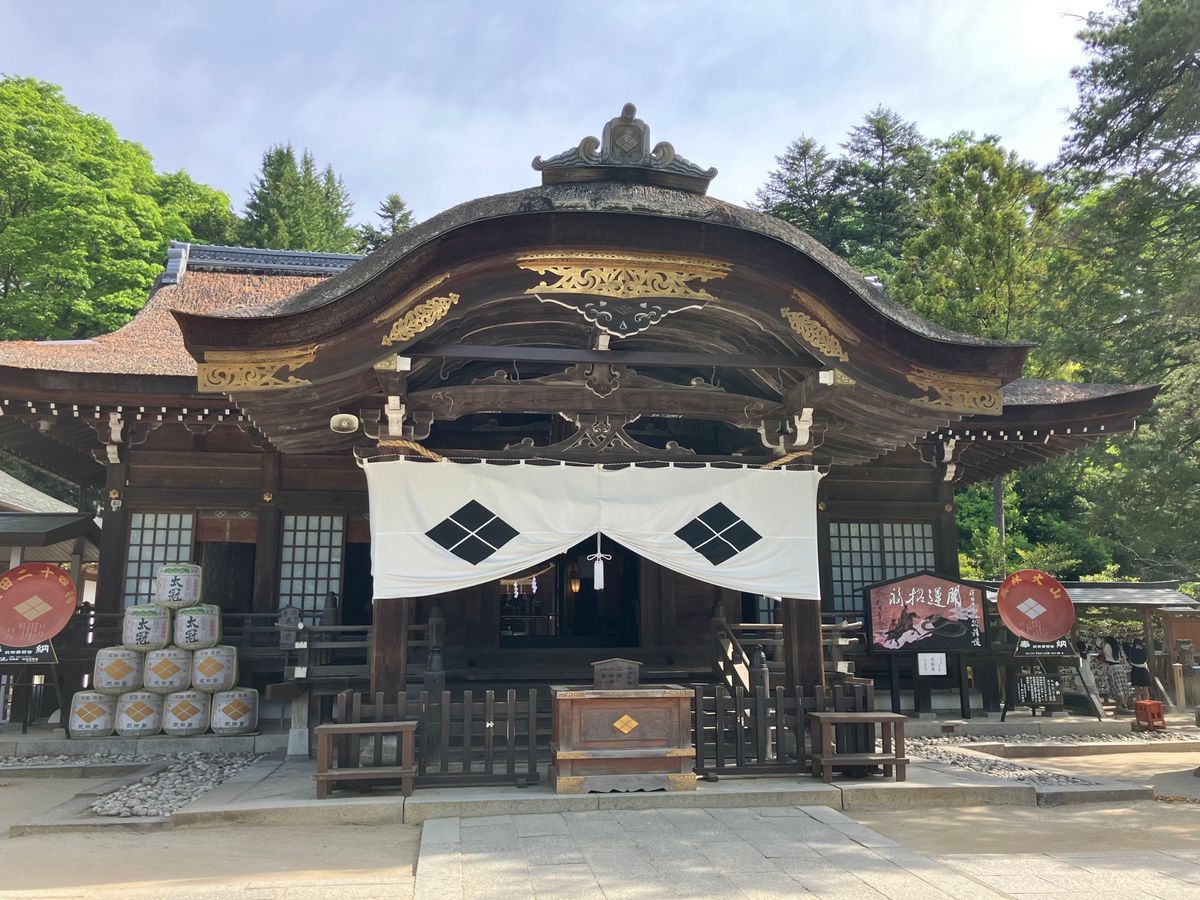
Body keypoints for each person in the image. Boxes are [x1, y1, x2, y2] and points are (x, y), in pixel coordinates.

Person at [1102, 635, 1132, 712]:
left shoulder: (1106, 646)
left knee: (1118, 687)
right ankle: (1124, 704)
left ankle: (1122, 704)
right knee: (1123, 686)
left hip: (1113, 667)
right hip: (1120, 667)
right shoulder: (1117, 647)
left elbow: (1105, 656)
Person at [1125, 637, 1152, 702]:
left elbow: (1129, 658)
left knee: (1137, 688)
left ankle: (1138, 703)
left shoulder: (1132, 649)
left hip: (1135, 669)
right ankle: (1147, 702)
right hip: (1143, 669)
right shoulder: (1144, 648)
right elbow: (1146, 658)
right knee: (1145, 688)